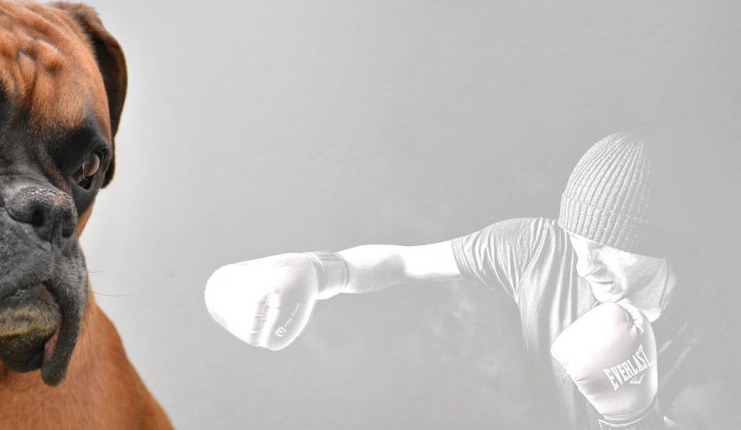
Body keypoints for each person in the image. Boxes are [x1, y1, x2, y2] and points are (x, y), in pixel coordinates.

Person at [205, 132, 738, 429]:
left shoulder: (718, 332)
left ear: (662, 241)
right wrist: (321, 270)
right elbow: (402, 263)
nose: (585, 265)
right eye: (578, 239)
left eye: (608, 245)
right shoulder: (537, 248)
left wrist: (634, 417)